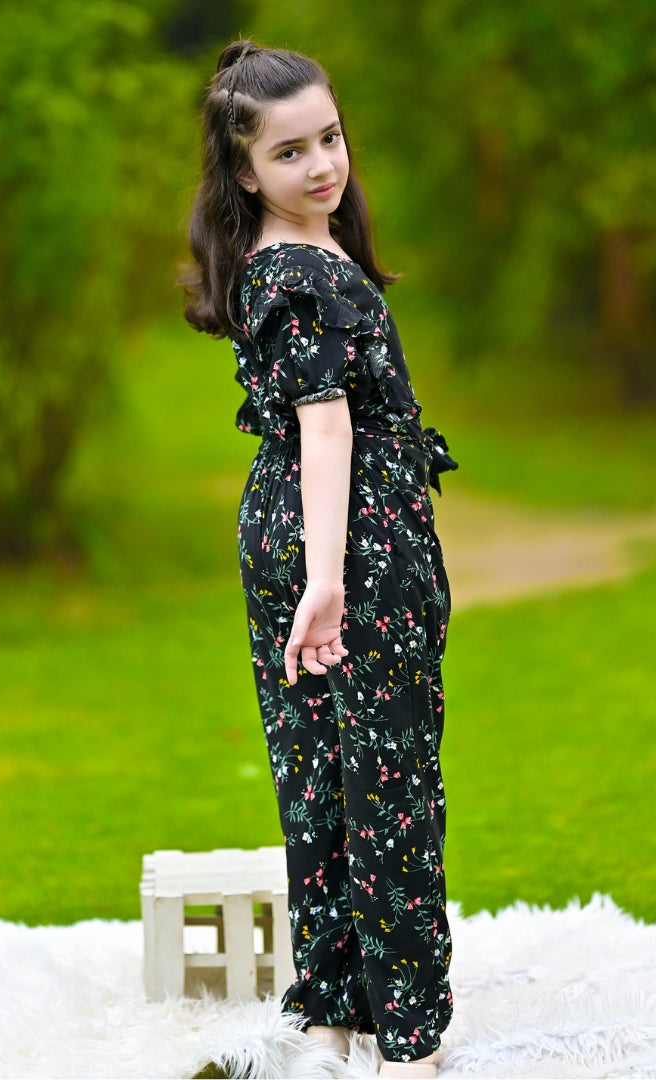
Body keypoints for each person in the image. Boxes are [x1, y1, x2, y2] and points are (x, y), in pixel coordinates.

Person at [182, 40, 458, 1079]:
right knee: (386, 781)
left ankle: (336, 1013)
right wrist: (330, 582)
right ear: (245, 170)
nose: (322, 165)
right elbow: (327, 428)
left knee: (322, 772)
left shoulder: (293, 252)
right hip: (346, 538)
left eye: (329, 138)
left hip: (302, 526)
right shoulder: (297, 273)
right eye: (289, 151)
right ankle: (410, 1039)